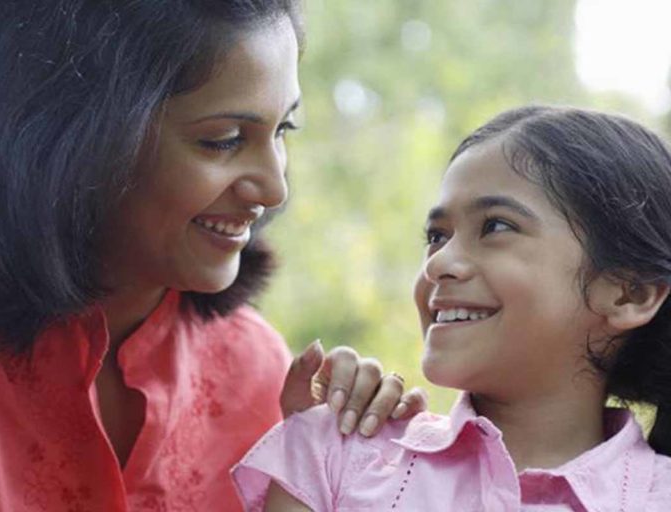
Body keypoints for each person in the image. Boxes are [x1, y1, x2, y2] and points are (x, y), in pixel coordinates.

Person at [0, 1, 428, 511]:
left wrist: (322, 470)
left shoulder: (261, 372)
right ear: (65, 136)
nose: (274, 189)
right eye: (223, 140)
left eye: (282, 130)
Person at [233, 106, 671, 511]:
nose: (438, 263)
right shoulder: (332, 453)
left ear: (630, 293)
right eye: (436, 236)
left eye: (496, 226)